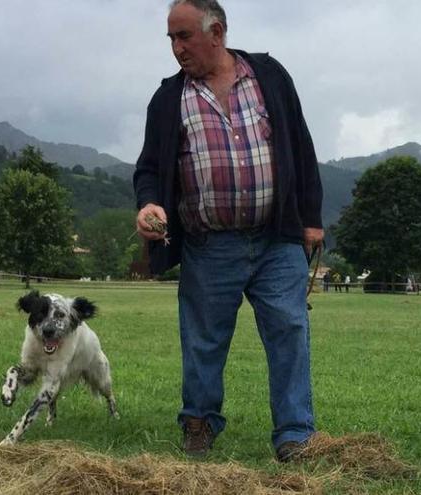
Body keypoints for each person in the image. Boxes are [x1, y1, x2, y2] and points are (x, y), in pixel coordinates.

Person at [133, 0, 323, 462]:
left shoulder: (269, 76)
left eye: (185, 37)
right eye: (171, 39)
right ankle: (199, 423)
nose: (177, 48)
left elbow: (300, 143)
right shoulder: (167, 99)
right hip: (208, 243)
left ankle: (295, 435)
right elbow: (150, 170)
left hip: (277, 239)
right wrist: (149, 204)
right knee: (203, 340)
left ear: (216, 31)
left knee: (289, 331)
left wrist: (311, 218)